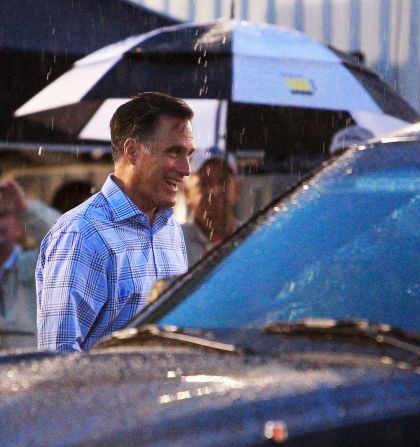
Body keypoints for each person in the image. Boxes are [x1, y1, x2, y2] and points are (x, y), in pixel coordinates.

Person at [36, 92, 195, 352]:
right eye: (174, 152)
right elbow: (58, 357)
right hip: (107, 394)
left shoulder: (171, 230)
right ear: (132, 151)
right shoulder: (81, 233)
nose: (186, 168)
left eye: (189, 154)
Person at [0, 180, 60, 350]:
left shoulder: (36, 267)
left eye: (3, 214)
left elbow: (63, 240)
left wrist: (25, 206)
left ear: (20, 224)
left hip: (30, 370)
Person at [183, 148, 242, 265]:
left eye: (223, 182)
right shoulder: (171, 243)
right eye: (204, 183)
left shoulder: (253, 238)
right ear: (187, 193)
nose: (215, 191)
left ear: (237, 190)